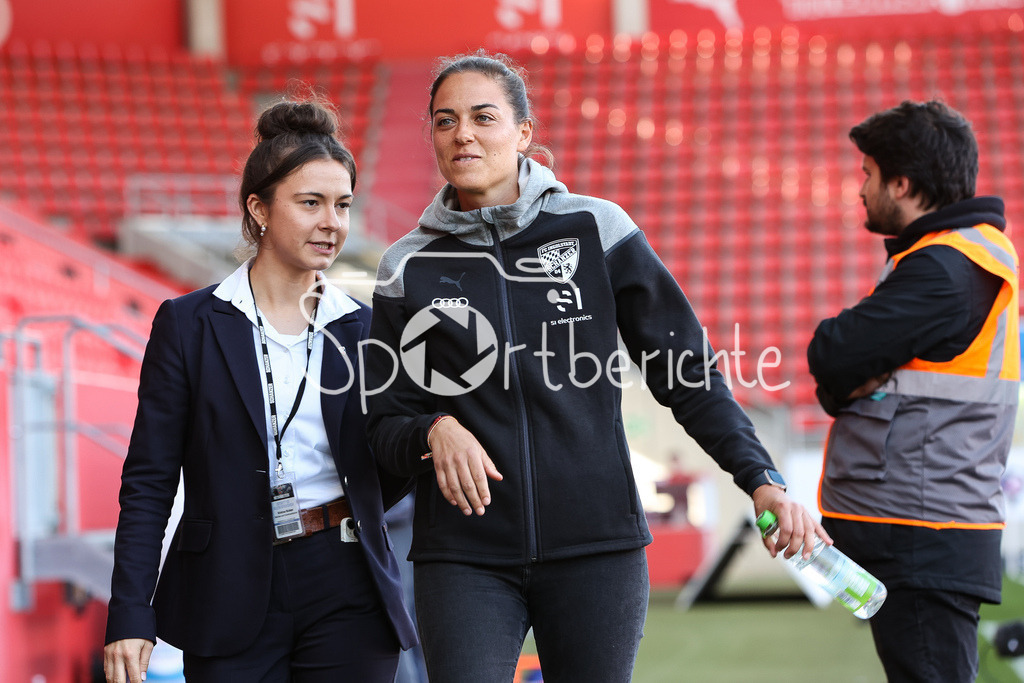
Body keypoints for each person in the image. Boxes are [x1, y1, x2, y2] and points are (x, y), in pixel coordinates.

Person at [364, 51, 827, 682]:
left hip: (597, 548)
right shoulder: (404, 265)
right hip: (464, 556)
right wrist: (431, 430)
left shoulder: (597, 229)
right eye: (445, 121)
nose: (462, 134)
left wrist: (760, 476)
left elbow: (685, 372)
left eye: (482, 117)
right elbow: (385, 420)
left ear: (523, 131)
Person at [103, 99, 416, 683]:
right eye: (311, 203)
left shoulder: (368, 329)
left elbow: (391, 454)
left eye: (343, 205)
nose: (333, 223)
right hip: (227, 585)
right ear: (259, 209)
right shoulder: (189, 324)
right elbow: (148, 480)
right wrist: (129, 611)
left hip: (348, 583)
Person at [808, 100, 1019, 682]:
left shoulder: (948, 268)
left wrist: (848, 379)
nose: (861, 190)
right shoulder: (954, 257)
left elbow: (831, 353)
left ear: (902, 183)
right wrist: (849, 383)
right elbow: (843, 372)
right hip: (926, 524)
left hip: (924, 530)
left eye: (868, 175)